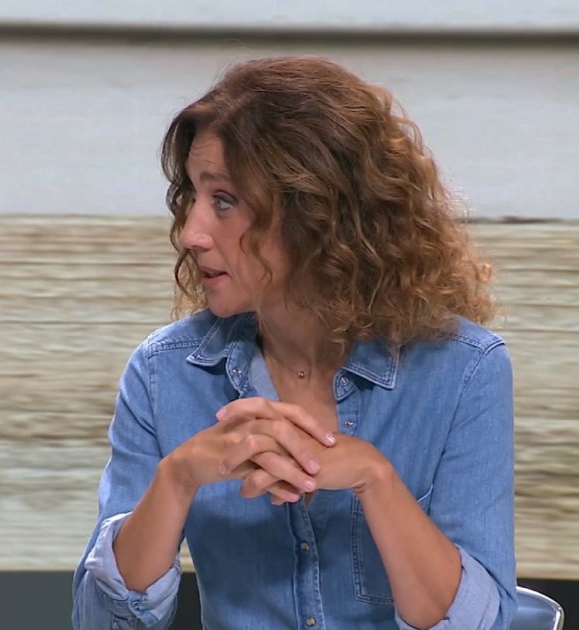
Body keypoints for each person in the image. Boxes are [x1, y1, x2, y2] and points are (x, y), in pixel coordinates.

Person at [72, 56, 516, 629]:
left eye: (224, 200)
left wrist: (375, 481)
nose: (192, 233)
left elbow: (488, 622)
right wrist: (177, 479)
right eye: (193, 197)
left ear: (316, 212)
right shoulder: (163, 372)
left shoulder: (466, 370)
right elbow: (99, 622)